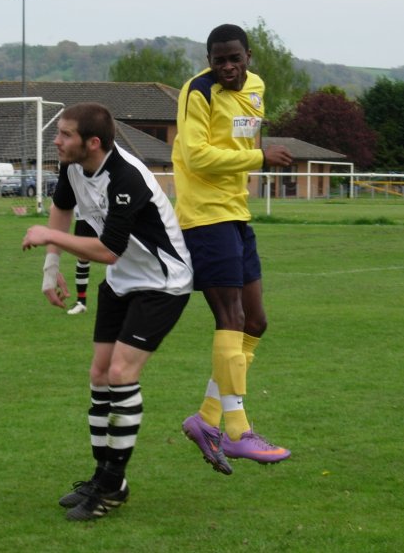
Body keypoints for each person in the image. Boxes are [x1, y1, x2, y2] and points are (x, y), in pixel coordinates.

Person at [22, 102, 193, 521]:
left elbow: (109, 251)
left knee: (121, 374)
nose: (56, 141)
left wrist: (48, 237)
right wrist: (50, 269)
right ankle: (102, 478)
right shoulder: (72, 166)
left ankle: (113, 485)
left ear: (92, 142)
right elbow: (62, 209)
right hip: (121, 283)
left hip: (162, 283)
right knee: (99, 375)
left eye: (64, 134)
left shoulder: (126, 177)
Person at [172, 24, 293, 475]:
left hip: (236, 213)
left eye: (234, 58)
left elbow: (241, 137)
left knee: (255, 321)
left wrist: (253, 154)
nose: (226, 67)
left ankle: (206, 419)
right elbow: (198, 155)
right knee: (232, 318)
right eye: (218, 59)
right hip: (205, 216)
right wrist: (260, 158)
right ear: (209, 58)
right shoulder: (197, 92)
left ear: (248, 56)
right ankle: (239, 432)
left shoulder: (257, 88)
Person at [67, 207, 96, 315]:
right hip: (82, 216)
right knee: (82, 257)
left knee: (115, 253)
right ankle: (81, 302)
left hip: (104, 214)